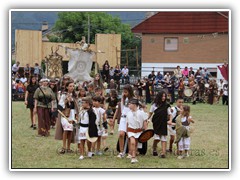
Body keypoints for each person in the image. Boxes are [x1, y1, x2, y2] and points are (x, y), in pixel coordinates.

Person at [149, 91, 172, 158]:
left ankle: (163, 153)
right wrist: (146, 120)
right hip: (156, 122)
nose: (163, 98)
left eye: (165, 96)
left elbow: (170, 114)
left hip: (163, 122)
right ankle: (154, 148)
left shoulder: (167, 105)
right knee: (157, 138)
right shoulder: (154, 105)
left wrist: (170, 120)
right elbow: (150, 113)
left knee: (163, 137)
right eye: (162, 96)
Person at [58, 81, 79, 154]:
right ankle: (63, 147)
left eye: (73, 86)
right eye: (70, 86)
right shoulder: (63, 95)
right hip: (65, 114)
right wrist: (66, 100)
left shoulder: (74, 96)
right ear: (67, 87)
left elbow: (76, 106)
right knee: (66, 129)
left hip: (72, 114)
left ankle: (68, 148)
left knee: (70, 130)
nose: (72, 87)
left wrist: (76, 115)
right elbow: (60, 106)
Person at [126, 98, 148, 163]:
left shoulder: (141, 113)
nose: (128, 105)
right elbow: (127, 123)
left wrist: (145, 131)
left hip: (138, 131)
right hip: (130, 130)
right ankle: (133, 157)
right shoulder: (128, 113)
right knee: (132, 142)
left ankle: (134, 155)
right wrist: (127, 131)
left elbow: (145, 122)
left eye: (130, 104)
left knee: (135, 144)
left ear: (134, 105)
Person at [117, 84, 135, 158]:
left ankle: (130, 152)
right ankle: (121, 152)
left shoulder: (133, 99)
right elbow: (121, 109)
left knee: (129, 135)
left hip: (130, 118)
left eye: (126, 92)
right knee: (121, 134)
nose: (124, 93)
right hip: (123, 118)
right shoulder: (123, 99)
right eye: (123, 92)